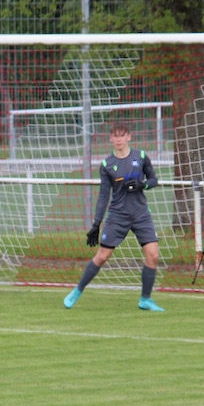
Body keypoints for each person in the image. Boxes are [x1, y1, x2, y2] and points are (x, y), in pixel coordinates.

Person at [64, 121, 165, 312]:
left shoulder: (141, 156)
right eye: (115, 136)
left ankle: (145, 300)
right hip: (118, 215)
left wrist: (142, 184)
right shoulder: (106, 164)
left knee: (153, 255)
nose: (119, 139)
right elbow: (104, 196)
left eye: (122, 135)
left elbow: (154, 180)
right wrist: (96, 223)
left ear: (129, 137)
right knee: (102, 256)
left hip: (141, 214)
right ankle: (77, 291)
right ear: (111, 139)